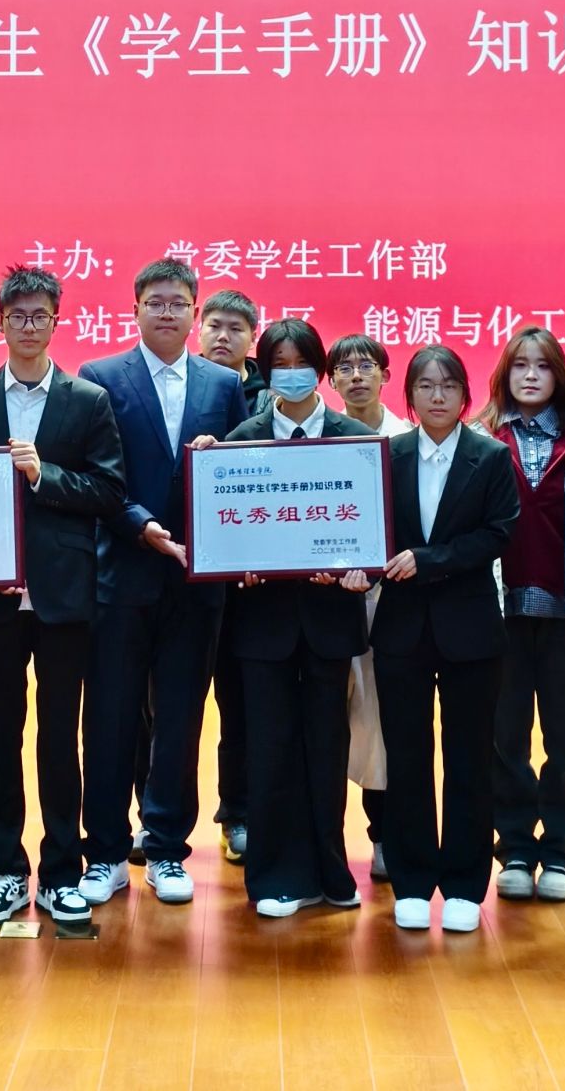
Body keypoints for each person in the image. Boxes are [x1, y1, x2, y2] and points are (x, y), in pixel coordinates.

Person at [0, 266, 127, 926]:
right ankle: (6, 868)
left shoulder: (87, 399)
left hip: (64, 593)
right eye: (16, 315)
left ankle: (61, 870)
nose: (27, 325)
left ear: (56, 321)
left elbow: (109, 491)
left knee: (58, 734)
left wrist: (44, 475)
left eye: (38, 315)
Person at [77, 258, 250, 907]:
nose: (168, 312)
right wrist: (141, 524)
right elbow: (96, 473)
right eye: (156, 302)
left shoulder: (223, 383)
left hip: (197, 582)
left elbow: (240, 473)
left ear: (195, 313)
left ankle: (168, 848)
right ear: (135, 309)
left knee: (180, 718)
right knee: (111, 716)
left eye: (179, 303)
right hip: (122, 571)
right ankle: (104, 852)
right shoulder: (101, 376)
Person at [219, 319, 373, 918]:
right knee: (270, 748)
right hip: (263, 623)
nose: (291, 374)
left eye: (301, 363)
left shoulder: (355, 440)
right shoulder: (241, 441)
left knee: (327, 748)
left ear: (321, 370)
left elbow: (373, 535)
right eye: (278, 365)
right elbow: (223, 533)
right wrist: (237, 565)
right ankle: (275, 877)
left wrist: (361, 570)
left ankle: (331, 871)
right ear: (264, 373)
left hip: (330, 620)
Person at [374, 344, 518, 934]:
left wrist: (429, 560)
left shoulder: (491, 456)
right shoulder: (387, 454)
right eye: (426, 386)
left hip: (471, 629)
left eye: (449, 386)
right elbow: (370, 529)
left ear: (465, 395)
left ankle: (463, 883)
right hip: (401, 628)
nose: (438, 396)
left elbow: (498, 534)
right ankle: (411, 880)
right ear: (409, 395)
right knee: (406, 756)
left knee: (469, 758)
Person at [475, 326, 565, 905]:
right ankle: (516, 849)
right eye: (519, 365)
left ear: (559, 376)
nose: (529, 375)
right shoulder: (482, 436)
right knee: (506, 740)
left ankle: (564, 853)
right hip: (500, 614)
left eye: (542, 366)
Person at [328, 332, 410, 882]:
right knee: (329, 722)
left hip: (392, 603)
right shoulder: (320, 439)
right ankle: (324, 845)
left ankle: (384, 837)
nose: (356, 375)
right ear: (331, 380)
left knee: (383, 724)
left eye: (366, 366)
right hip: (327, 601)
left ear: (385, 374)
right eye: (344, 368)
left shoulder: (406, 441)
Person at [198, 287, 264, 864]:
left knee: (243, 705)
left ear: (252, 338)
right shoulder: (185, 385)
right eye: (215, 325)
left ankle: (239, 812)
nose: (223, 336)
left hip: (252, 586)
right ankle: (152, 821)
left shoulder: (273, 399)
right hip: (184, 574)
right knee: (163, 707)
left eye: (236, 328)